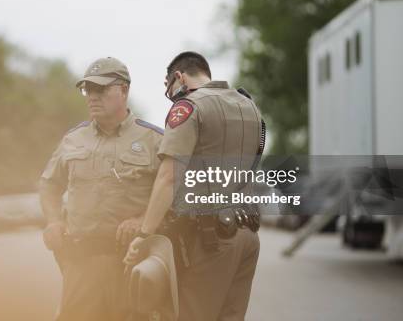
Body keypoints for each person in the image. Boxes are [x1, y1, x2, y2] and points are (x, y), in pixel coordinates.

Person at [124, 51, 265, 321]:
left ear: (179, 77)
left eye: (169, 87)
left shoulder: (188, 107)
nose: (171, 94)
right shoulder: (249, 105)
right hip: (248, 235)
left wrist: (144, 234)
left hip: (211, 239)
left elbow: (168, 177)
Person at [39, 57, 164, 321]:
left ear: (124, 90)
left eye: (101, 89)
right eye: (88, 90)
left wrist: (143, 221)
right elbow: (49, 184)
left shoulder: (154, 140)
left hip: (133, 262)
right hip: (81, 263)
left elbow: (174, 194)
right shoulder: (73, 139)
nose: (92, 97)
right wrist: (53, 221)